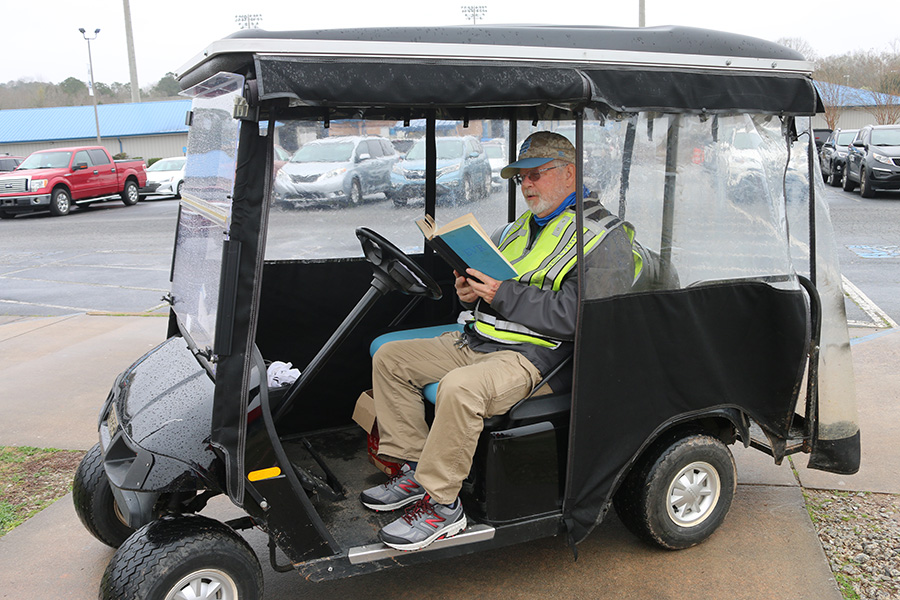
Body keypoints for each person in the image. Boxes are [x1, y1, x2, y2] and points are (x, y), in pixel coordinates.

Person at [360, 131, 638, 552]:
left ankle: (443, 506)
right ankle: (416, 468)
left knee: (459, 388)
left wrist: (501, 293)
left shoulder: (604, 238)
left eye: (535, 175)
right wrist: (471, 290)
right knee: (391, 358)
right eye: (520, 178)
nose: (526, 185)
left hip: (538, 358)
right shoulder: (517, 227)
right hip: (481, 339)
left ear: (570, 174)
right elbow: (497, 285)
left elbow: (583, 318)